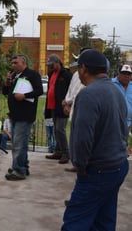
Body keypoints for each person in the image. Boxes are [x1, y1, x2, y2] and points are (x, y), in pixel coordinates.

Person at [62, 49, 129, 230]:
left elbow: (82, 138)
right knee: (103, 220)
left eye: (78, 69)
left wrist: (81, 166)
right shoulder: (116, 91)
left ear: (84, 69)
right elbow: (123, 129)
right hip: (118, 165)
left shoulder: (87, 94)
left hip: (97, 170)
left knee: (75, 222)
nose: (77, 74)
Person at [2, 54, 43, 180]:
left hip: (25, 115)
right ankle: (22, 166)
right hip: (15, 115)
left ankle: (19, 170)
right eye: (12, 63)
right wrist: (7, 82)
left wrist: (24, 96)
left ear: (23, 63)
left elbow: (39, 91)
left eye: (16, 63)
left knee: (18, 144)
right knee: (20, 143)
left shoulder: (32, 74)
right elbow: (4, 92)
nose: (13, 65)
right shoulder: (14, 76)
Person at [44, 54, 72, 164]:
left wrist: (68, 104)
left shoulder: (66, 75)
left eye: (52, 64)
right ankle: (58, 151)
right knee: (56, 129)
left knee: (60, 129)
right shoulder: (51, 74)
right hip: (53, 105)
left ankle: (66, 153)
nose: (50, 67)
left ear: (57, 63)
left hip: (62, 106)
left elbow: (71, 90)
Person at [112, 64, 132, 156]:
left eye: (128, 74)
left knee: (124, 142)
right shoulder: (111, 84)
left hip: (128, 122)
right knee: (112, 143)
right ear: (118, 73)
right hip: (113, 120)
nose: (126, 76)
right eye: (124, 73)